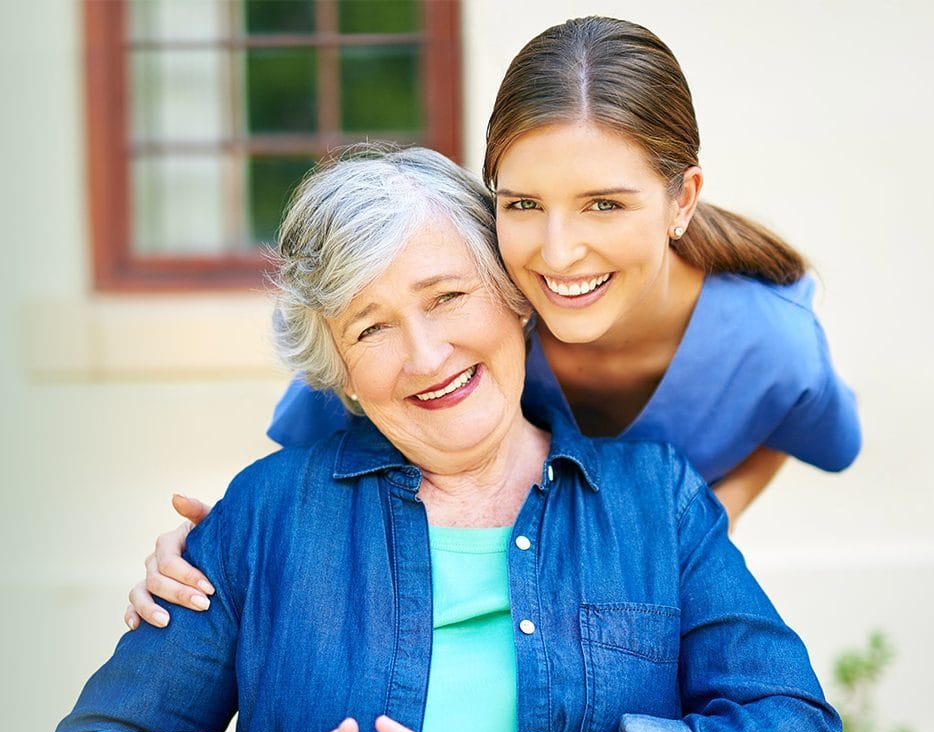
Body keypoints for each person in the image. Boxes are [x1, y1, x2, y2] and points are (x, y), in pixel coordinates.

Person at [48, 146, 841, 732]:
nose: (426, 356)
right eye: (373, 327)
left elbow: (790, 729)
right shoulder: (267, 510)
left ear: (515, 301)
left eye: (448, 296)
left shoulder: (651, 500)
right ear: (343, 374)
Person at [125, 16, 860, 631]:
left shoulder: (772, 345)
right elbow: (304, 467)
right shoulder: (468, 313)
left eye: (605, 204)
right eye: (523, 204)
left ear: (682, 199)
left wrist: (702, 525)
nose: (558, 252)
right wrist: (198, 560)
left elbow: (810, 434)